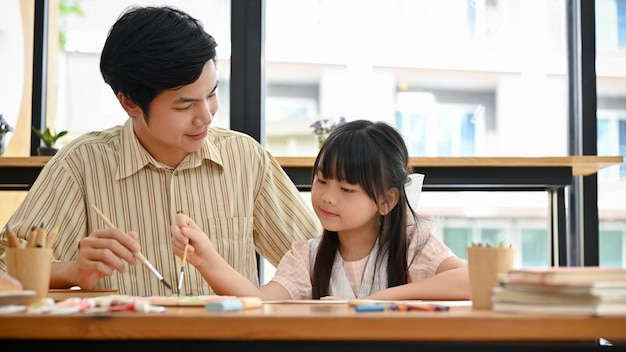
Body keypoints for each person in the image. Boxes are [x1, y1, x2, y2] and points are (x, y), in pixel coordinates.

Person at [0, 5, 321, 297]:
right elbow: (5, 268)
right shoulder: (81, 164)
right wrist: (73, 271)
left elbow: (322, 262)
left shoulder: (246, 159)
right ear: (130, 102)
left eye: (211, 94)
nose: (207, 116)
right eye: (185, 105)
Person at [172, 120, 470, 300]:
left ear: (387, 200)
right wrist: (206, 259)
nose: (327, 197)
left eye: (347, 190)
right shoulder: (307, 256)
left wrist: (379, 299)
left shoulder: (414, 245)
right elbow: (260, 301)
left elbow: (471, 280)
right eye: (321, 181)